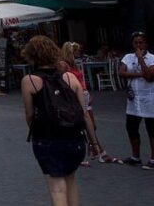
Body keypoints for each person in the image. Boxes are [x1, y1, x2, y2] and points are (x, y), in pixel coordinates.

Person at [21, 36, 99, 206]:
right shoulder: (70, 77)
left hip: (47, 138)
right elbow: (84, 113)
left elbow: (29, 114)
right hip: (74, 137)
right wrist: (94, 142)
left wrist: (36, 134)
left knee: (57, 186)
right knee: (71, 181)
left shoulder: (29, 81)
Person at [60, 41, 120, 165]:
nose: (79, 54)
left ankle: (94, 150)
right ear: (71, 52)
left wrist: (87, 92)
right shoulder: (64, 65)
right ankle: (98, 151)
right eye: (77, 51)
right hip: (76, 96)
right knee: (85, 125)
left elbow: (81, 80)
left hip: (83, 95)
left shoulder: (74, 64)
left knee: (90, 125)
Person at [119, 31, 154, 169]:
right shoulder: (127, 57)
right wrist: (139, 74)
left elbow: (150, 77)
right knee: (131, 127)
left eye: (141, 42)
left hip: (149, 98)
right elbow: (121, 72)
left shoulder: (152, 58)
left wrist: (140, 60)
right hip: (134, 100)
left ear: (146, 43)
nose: (138, 45)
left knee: (151, 129)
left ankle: (153, 159)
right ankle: (135, 156)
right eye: (135, 43)